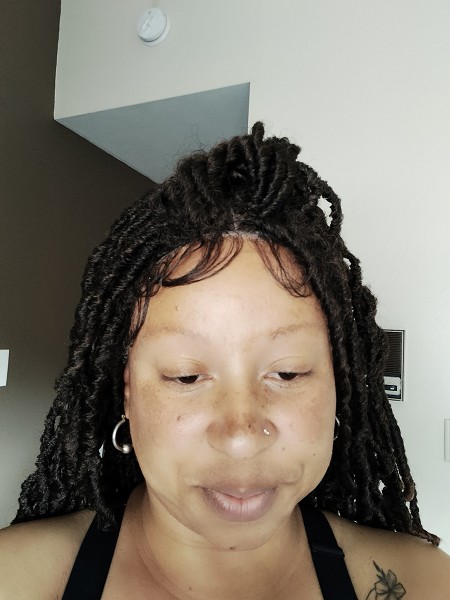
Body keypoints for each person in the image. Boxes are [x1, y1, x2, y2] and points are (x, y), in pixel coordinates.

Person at [0, 123, 448, 599]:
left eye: (288, 372)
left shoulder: (427, 583)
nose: (241, 436)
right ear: (127, 394)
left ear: (337, 388)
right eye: (186, 376)